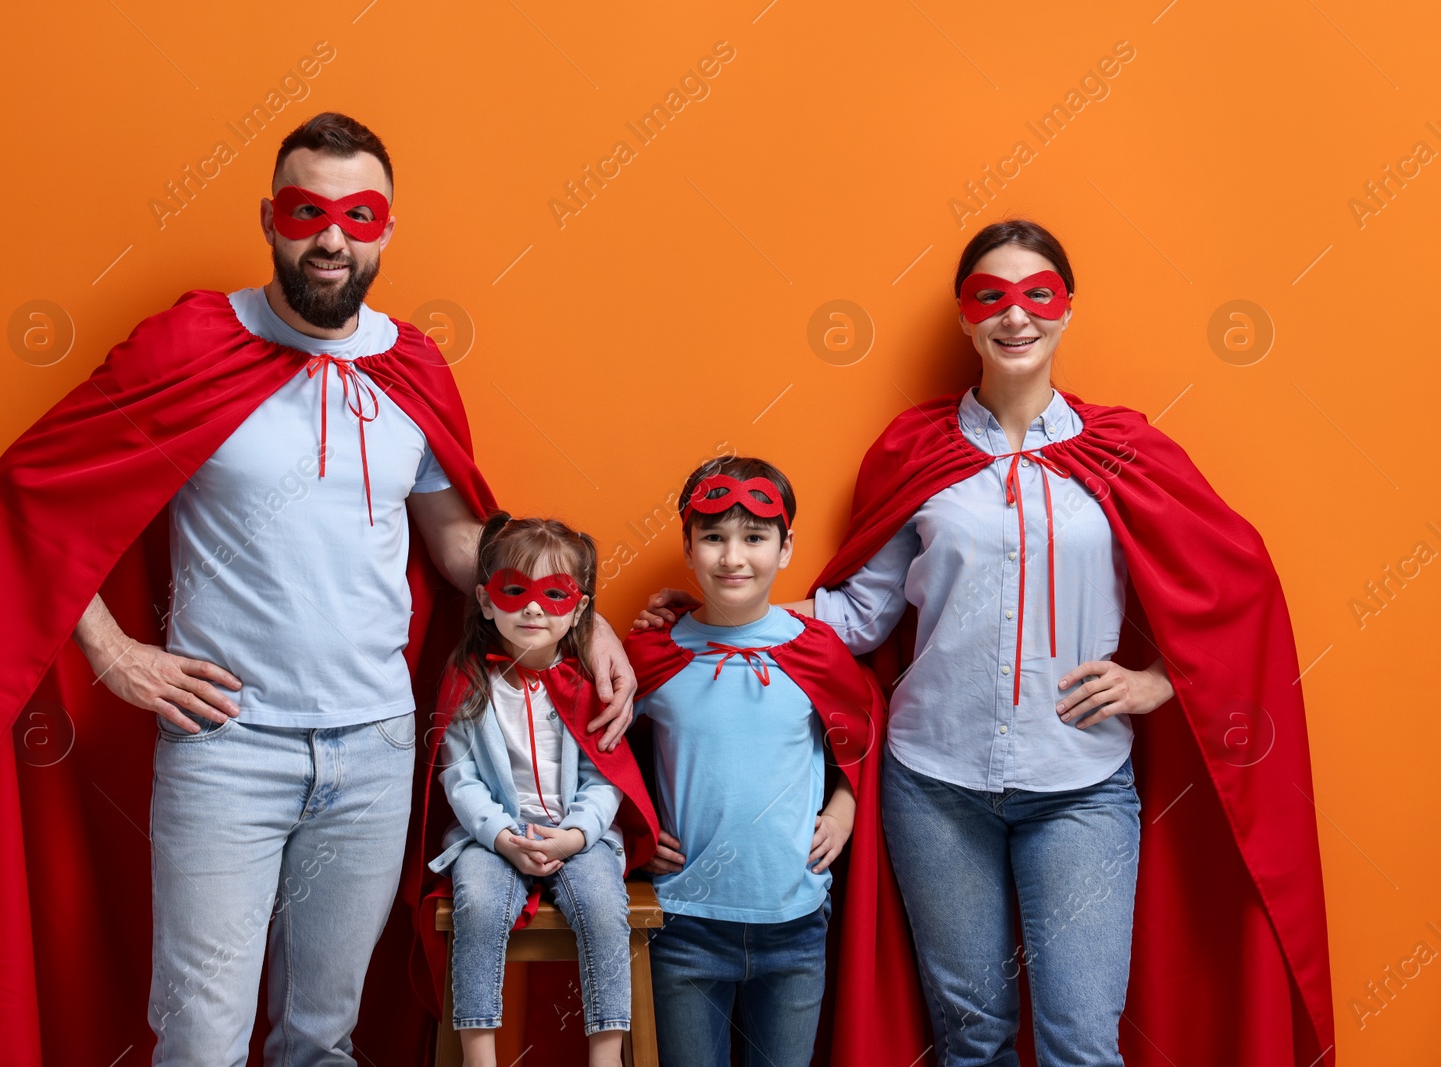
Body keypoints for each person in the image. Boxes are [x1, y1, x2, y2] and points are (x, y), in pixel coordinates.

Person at [0, 112, 636, 1066]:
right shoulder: (191, 344)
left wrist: (581, 618)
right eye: (307, 211)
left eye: (357, 213)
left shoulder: (411, 367)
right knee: (201, 1041)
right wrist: (113, 651)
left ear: (386, 229)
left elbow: (462, 543)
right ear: (271, 219)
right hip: (227, 750)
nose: (330, 237)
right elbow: (33, 495)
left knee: (321, 1038)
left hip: (375, 747)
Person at [640, 220, 1335, 1067]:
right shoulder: (915, 452)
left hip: (1080, 783)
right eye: (991, 297)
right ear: (966, 318)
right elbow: (860, 613)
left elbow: (1238, 584)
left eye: (1037, 294)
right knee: (972, 1038)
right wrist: (724, 608)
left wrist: (1158, 681)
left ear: (1067, 309)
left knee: (1081, 1039)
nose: (1015, 316)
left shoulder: (1122, 451)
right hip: (935, 785)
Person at [622, 457, 897, 1067]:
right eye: (713, 538)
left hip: (795, 925)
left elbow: (863, 732)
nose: (732, 557)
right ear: (688, 546)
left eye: (754, 538)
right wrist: (627, 830)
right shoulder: (653, 652)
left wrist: (847, 807)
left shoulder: (816, 650)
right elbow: (591, 748)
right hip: (683, 924)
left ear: (786, 545)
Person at [424, 514, 659, 1067]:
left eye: (553, 595)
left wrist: (576, 836)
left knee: (604, 907)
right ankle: (478, 1057)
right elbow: (458, 777)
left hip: (580, 837)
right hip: (491, 840)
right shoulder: (468, 683)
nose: (532, 608)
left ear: (577, 609)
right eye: (516, 591)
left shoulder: (586, 686)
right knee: (478, 905)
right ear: (486, 601)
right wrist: (503, 837)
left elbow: (607, 780)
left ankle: (606, 1055)